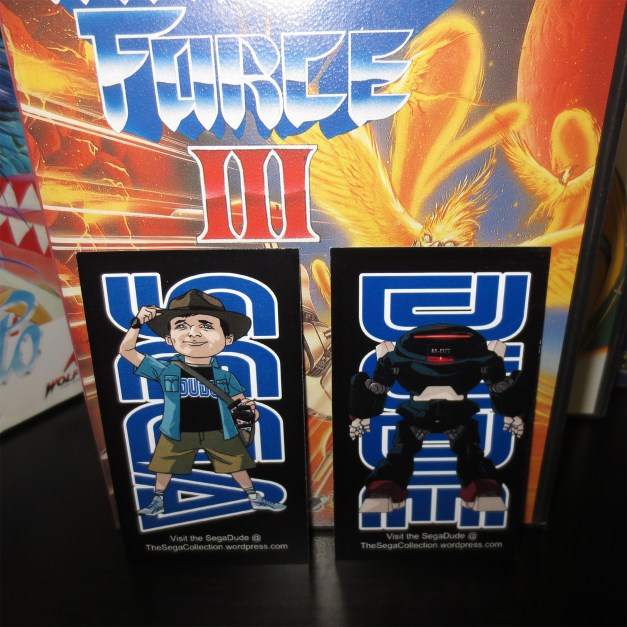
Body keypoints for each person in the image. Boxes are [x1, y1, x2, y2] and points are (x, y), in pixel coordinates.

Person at [119, 288, 286, 515]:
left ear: (227, 339)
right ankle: (157, 500)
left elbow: (241, 401)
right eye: (181, 326)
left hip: (220, 430)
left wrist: (250, 411)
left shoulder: (224, 376)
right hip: (176, 431)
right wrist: (137, 323)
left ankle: (254, 497)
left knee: (238, 465)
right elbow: (126, 350)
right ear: (169, 339)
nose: (193, 333)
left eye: (206, 326)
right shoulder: (166, 370)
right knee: (164, 466)